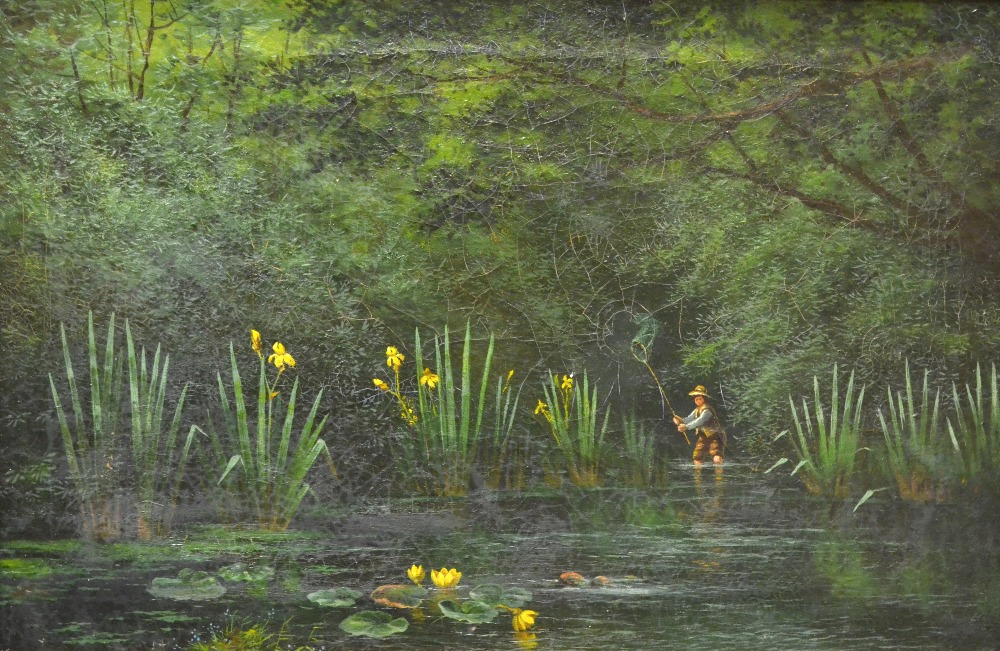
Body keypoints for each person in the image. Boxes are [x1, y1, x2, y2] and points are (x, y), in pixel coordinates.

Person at [673, 385, 726, 465]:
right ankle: (698, 477)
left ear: (704, 399)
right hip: (703, 436)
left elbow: (699, 421)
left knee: (717, 458)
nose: (698, 401)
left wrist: (686, 427)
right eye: (696, 399)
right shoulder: (696, 410)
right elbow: (687, 419)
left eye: (700, 399)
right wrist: (678, 420)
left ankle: (719, 477)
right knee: (697, 458)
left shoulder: (707, 410)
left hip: (715, 436)